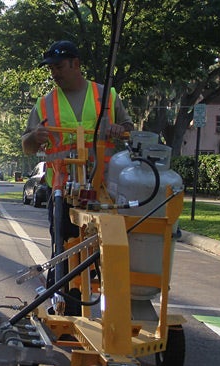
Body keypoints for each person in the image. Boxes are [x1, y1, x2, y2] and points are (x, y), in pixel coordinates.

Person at [21, 40, 135, 313]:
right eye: (51, 69)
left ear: (75, 64)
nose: (54, 74)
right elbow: (26, 145)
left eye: (59, 67)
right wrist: (34, 137)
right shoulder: (45, 103)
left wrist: (120, 129)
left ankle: (102, 303)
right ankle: (62, 301)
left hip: (103, 191)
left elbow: (129, 127)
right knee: (64, 248)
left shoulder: (106, 96)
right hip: (63, 190)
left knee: (104, 249)